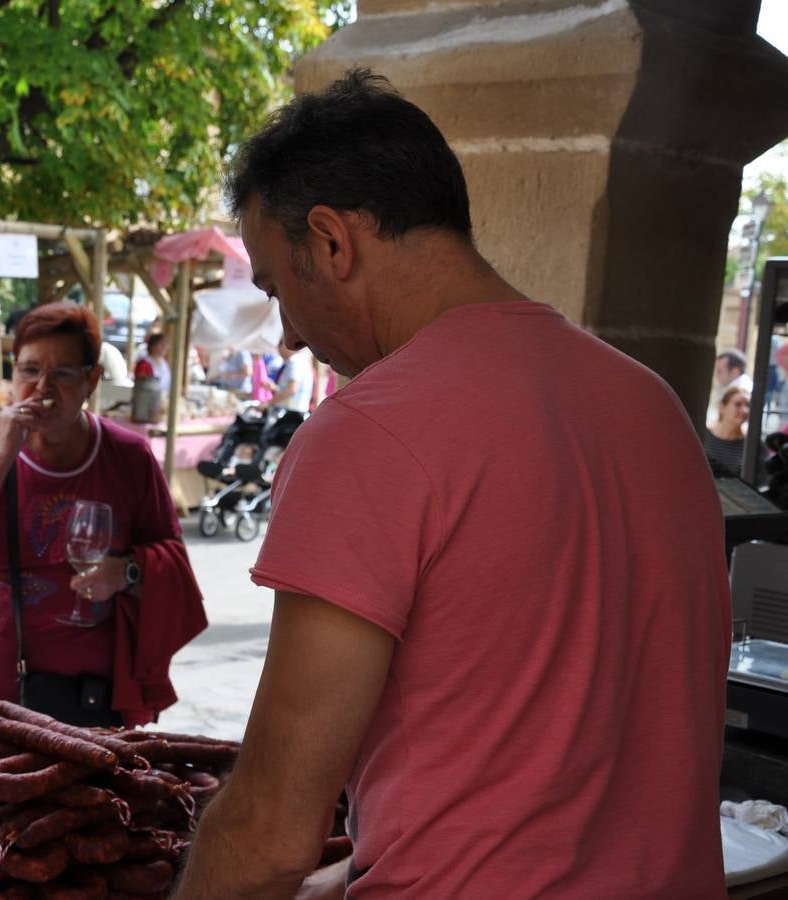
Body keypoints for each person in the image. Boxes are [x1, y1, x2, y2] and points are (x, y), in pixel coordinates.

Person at [175, 69, 729, 899]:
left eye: (275, 287)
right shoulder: (651, 403)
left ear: (330, 242)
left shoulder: (365, 431)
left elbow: (271, 829)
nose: (287, 334)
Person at [0, 302, 206, 736]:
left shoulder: (128, 457)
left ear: (91, 380)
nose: (42, 389)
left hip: (87, 700)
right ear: (12, 375)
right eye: (29, 371)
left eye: (63, 374)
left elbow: (173, 561)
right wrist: (3, 455)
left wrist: (125, 571)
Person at [704, 384, 752, 476]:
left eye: (748, 405)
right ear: (722, 407)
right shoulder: (704, 437)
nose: (745, 410)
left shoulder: (750, 445)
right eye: (738, 404)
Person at [708, 347, 753, 428]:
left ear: (735, 371)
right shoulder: (737, 387)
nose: (716, 375)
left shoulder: (740, 391)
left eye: (720, 371)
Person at [270, 345, 315, 412]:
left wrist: (268, 403)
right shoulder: (298, 361)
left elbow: (292, 389)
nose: (278, 348)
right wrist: (275, 388)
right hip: (294, 412)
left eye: (280, 344)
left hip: (291, 413)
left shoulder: (295, 361)